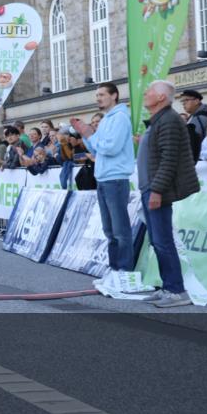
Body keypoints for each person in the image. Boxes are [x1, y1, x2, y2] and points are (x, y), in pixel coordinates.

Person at [138, 80, 200, 307]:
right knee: (157, 240)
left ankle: (176, 291)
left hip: (157, 190)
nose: (145, 94)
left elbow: (169, 160)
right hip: (149, 189)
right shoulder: (158, 121)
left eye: (149, 91)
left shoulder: (170, 120)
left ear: (161, 97)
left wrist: (156, 191)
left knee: (163, 241)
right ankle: (168, 287)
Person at [71, 82, 135, 275]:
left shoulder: (120, 118)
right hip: (104, 178)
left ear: (114, 95)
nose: (98, 98)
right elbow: (97, 148)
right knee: (109, 230)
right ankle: (114, 270)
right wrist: (85, 135)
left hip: (115, 178)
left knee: (120, 231)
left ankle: (124, 271)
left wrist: (90, 134)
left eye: (101, 94)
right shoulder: (108, 119)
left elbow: (110, 148)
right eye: (96, 95)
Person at [178, 89, 207, 160]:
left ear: (196, 101)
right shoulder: (194, 116)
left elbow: (192, 141)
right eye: (182, 101)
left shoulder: (200, 118)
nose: (183, 103)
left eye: (186, 100)